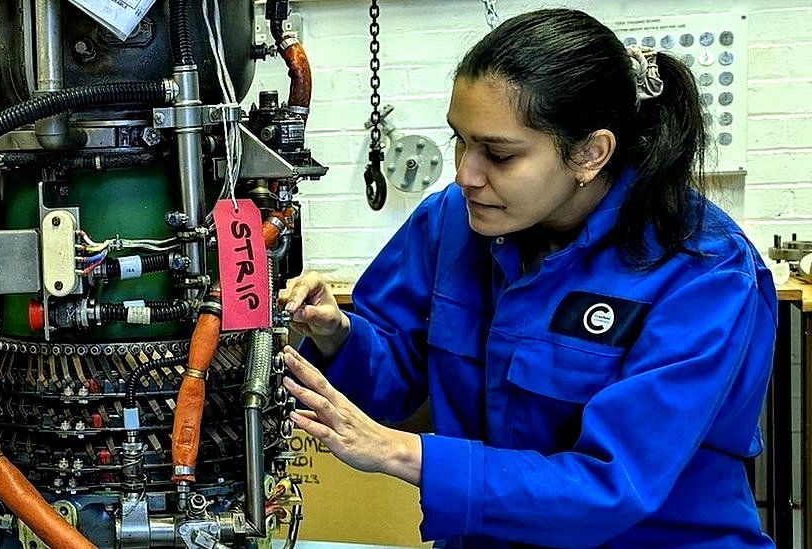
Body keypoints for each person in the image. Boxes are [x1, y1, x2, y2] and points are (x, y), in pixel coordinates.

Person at [278, 8, 777, 549]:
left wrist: (401, 452)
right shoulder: (450, 224)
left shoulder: (702, 270)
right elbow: (391, 384)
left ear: (590, 153)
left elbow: (611, 485)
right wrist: (337, 335)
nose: (466, 174)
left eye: (499, 154)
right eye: (460, 141)